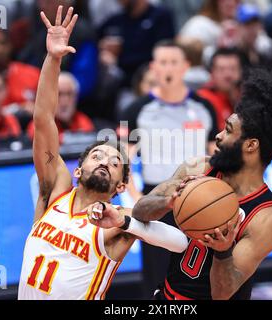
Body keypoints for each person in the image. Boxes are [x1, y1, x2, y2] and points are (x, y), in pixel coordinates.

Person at [18, 6, 188, 300]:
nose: (105, 162)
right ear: (78, 170)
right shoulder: (53, 194)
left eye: (115, 163)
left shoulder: (118, 218)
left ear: (121, 186)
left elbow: (179, 243)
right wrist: (53, 58)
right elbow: (44, 118)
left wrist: (125, 223)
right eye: (97, 156)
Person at [131, 67, 272, 299]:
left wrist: (223, 252)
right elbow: (139, 211)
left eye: (228, 130)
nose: (218, 136)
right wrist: (168, 201)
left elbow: (223, 293)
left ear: (250, 145)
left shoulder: (265, 217)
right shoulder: (198, 167)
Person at [119, 39, 219, 297]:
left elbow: (216, 156)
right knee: (157, 275)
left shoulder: (204, 107)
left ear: (186, 66)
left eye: (174, 62)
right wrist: (137, 199)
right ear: (154, 67)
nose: (168, 69)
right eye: (162, 63)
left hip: (199, 197)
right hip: (157, 198)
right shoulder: (137, 109)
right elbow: (123, 160)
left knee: (201, 272)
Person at [26, 71, 95, 145]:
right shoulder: (39, 125)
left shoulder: (83, 121)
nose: (64, 101)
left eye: (69, 94)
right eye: (59, 94)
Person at [198, 47, 243, 130]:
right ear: (212, 73)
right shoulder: (203, 100)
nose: (228, 75)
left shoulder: (246, 99)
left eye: (233, 69)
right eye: (221, 69)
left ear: (240, 71)